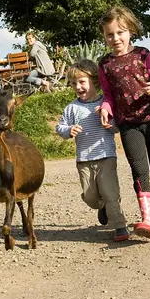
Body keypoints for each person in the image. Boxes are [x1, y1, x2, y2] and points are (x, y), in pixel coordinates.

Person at [98, 6, 150, 239]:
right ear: (104, 36)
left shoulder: (143, 54)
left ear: (130, 31)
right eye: (109, 34)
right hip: (128, 124)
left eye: (120, 32)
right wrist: (106, 109)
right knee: (138, 168)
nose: (115, 38)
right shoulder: (104, 65)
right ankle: (149, 219)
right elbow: (108, 95)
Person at [55, 60, 130, 242]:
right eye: (73, 83)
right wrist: (68, 130)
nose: (77, 87)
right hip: (84, 159)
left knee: (111, 192)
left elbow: (116, 128)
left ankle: (120, 226)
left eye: (82, 82)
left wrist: (107, 121)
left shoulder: (105, 104)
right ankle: (102, 205)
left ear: (95, 81)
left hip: (106, 156)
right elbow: (60, 126)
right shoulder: (72, 108)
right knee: (90, 197)